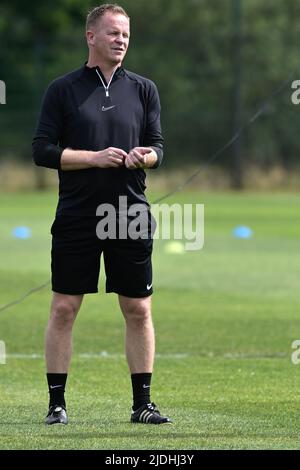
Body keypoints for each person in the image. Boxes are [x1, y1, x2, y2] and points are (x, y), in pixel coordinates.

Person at [32, 3, 171, 425]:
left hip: (130, 213)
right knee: (64, 307)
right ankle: (57, 404)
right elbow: (42, 151)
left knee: (138, 308)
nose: (121, 40)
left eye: (125, 34)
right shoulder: (63, 89)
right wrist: (93, 158)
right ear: (91, 36)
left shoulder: (144, 89)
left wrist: (146, 157)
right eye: (112, 33)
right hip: (77, 214)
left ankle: (142, 405)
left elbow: (158, 146)